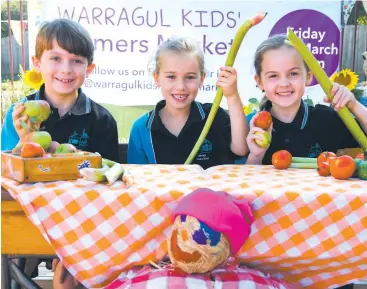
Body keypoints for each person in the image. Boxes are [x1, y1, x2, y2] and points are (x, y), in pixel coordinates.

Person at [1, 19, 120, 289]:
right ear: (37, 62)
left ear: (89, 68)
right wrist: (24, 142)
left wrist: (81, 161)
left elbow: (110, 183)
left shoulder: (102, 120)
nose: (66, 69)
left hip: (84, 225)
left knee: (71, 276)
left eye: (76, 61)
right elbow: (7, 178)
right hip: (28, 218)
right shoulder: (20, 114)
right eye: (55, 58)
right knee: (18, 256)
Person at [128, 36, 249, 169]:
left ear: (202, 79)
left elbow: (241, 149)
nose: (180, 86)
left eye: (190, 77)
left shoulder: (214, 116)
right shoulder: (142, 128)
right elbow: (136, 178)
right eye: (171, 77)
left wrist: (232, 96)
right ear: (157, 78)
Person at [245, 34, 367, 165]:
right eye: (273, 75)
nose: (284, 83)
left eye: (293, 73)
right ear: (259, 81)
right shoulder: (253, 126)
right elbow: (245, 180)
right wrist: (256, 155)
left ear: (308, 76)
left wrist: (354, 105)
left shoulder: (326, 119)